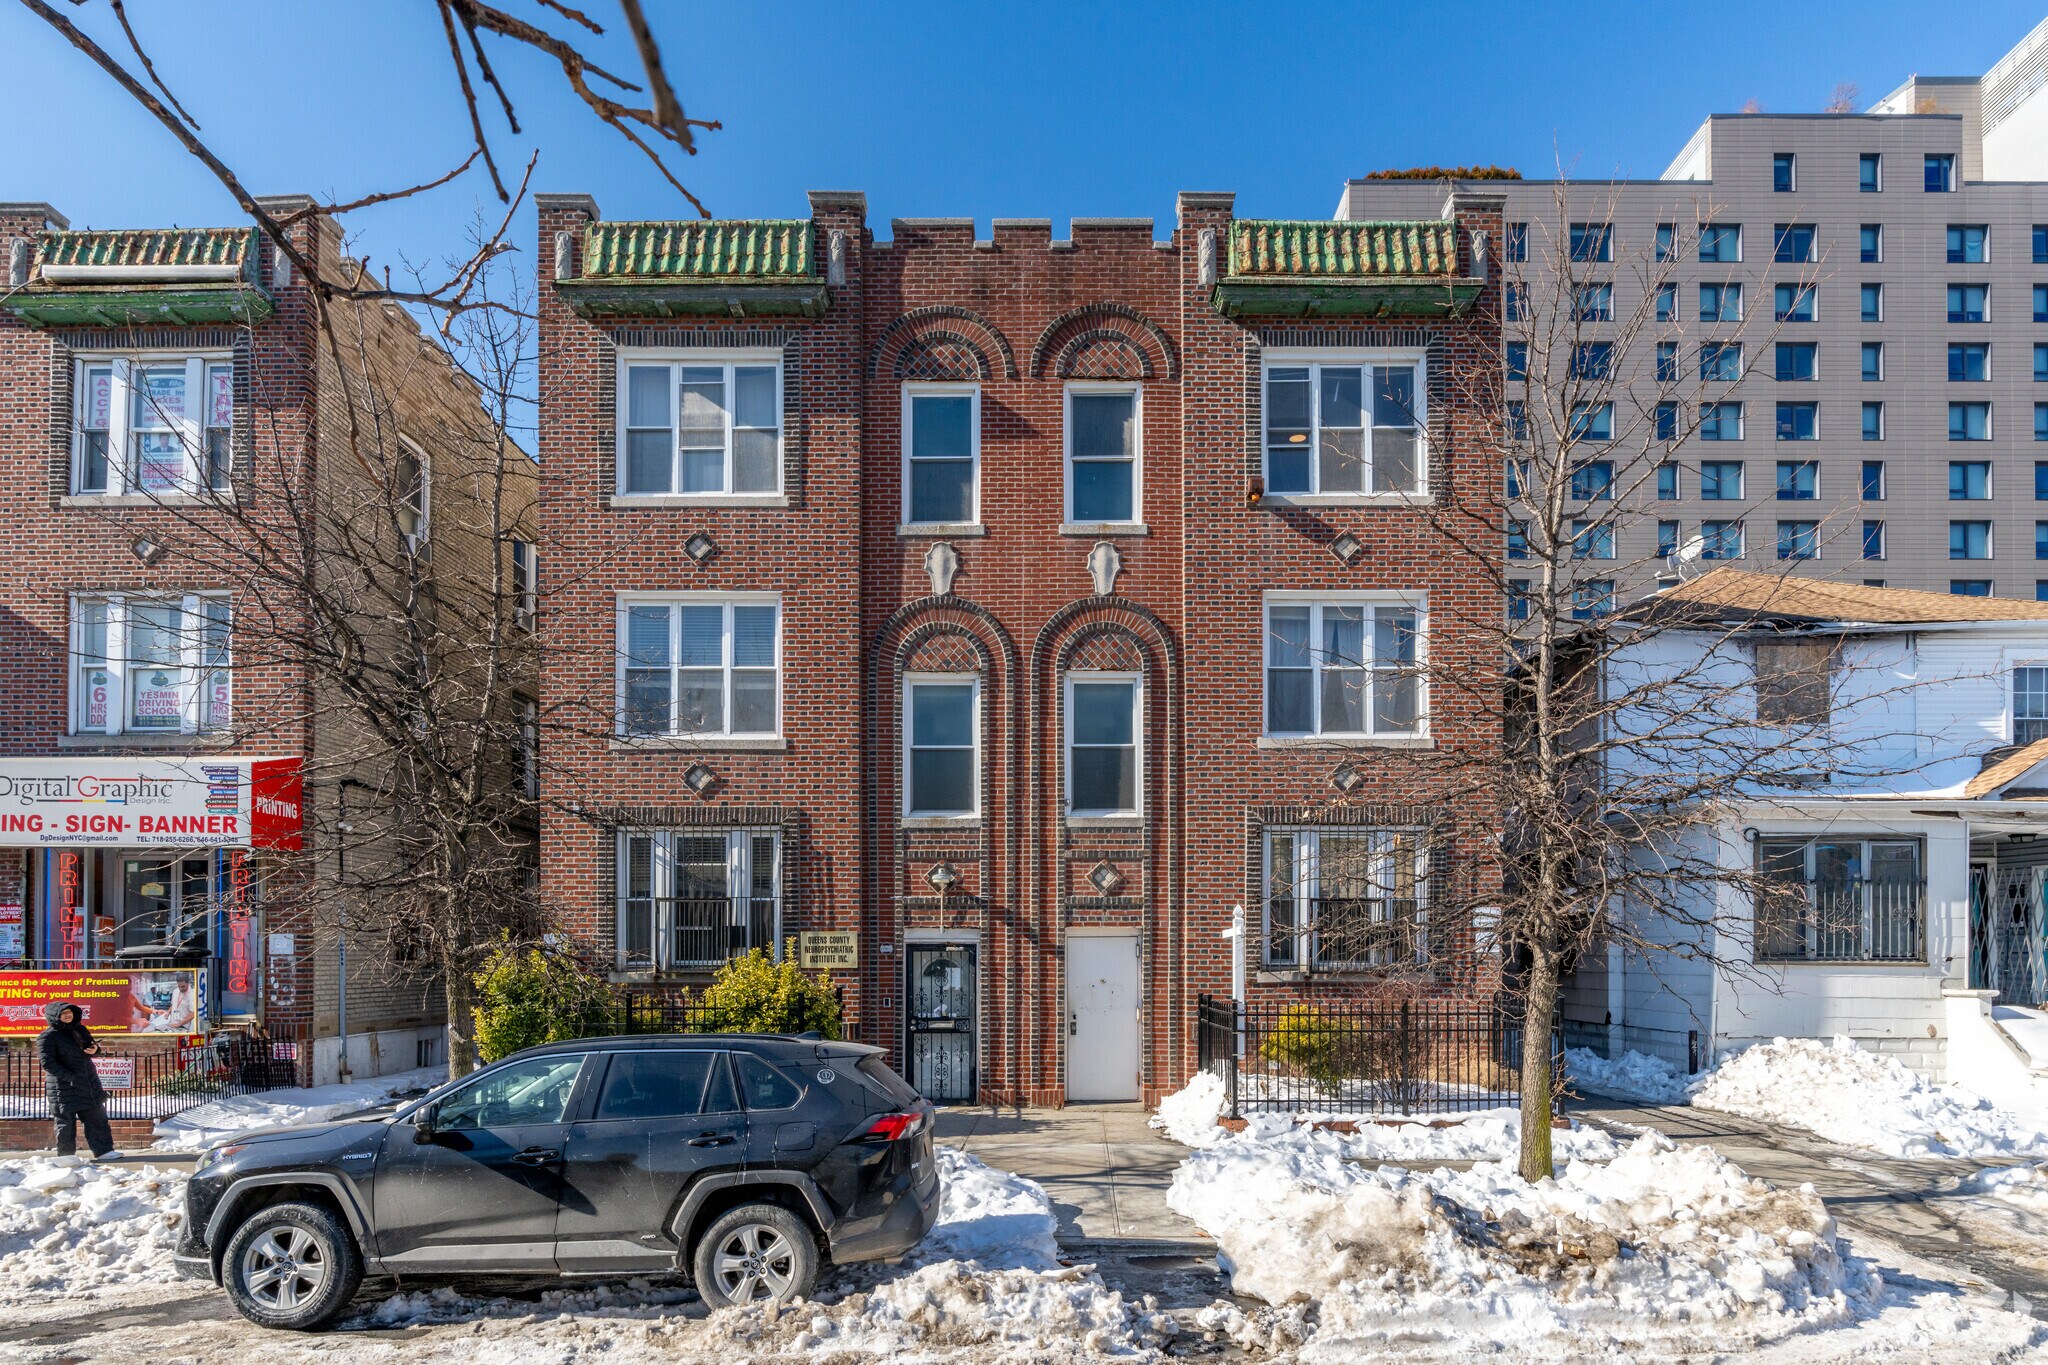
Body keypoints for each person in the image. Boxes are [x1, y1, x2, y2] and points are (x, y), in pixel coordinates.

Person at [38, 1001, 119, 1161]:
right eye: (63, 1013)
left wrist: (94, 1050)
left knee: (97, 1118)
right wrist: (70, 1077)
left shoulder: (80, 1029)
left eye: (70, 1012)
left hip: (88, 1084)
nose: (68, 1015)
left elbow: (92, 1048)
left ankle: (104, 1151)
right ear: (55, 1016)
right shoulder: (47, 1037)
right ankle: (66, 1156)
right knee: (65, 1123)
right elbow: (47, 1063)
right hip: (63, 1087)